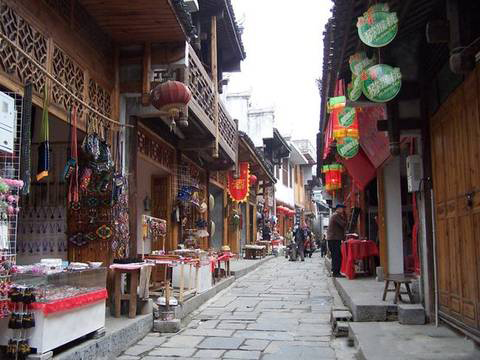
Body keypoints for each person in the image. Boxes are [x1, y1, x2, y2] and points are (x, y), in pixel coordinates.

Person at [327, 204, 347, 277]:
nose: (343, 210)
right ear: (338, 209)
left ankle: (335, 271)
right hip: (334, 239)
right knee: (337, 256)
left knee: (336, 255)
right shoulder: (336, 216)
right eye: (342, 209)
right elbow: (343, 224)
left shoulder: (336, 215)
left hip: (334, 238)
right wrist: (345, 216)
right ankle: (336, 272)